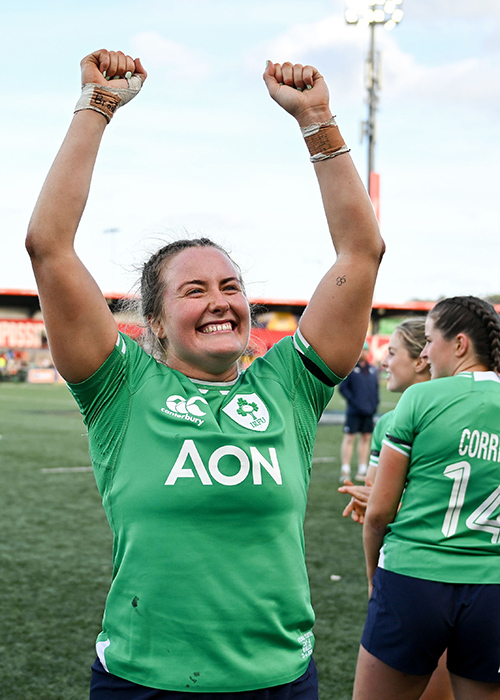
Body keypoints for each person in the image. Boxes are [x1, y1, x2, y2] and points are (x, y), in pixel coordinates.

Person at [26, 50, 384, 698]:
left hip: (279, 683)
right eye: (194, 290)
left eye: (231, 285)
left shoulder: (289, 386)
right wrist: (96, 106)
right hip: (143, 683)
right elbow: (49, 247)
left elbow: (360, 253)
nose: (221, 300)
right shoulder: (122, 387)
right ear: (155, 323)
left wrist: (319, 122)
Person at [353, 296, 500, 700]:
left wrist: (372, 578)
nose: (426, 353)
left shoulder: (421, 398)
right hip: (493, 588)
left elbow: (379, 513)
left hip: (414, 577)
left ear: (459, 345)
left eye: (431, 340)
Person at [339, 318, 453, 700]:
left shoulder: (399, 420)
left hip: (409, 576)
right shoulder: (469, 412)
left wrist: (380, 505)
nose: (384, 362)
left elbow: (377, 512)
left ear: (421, 360)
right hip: (475, 582)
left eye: (392, 353)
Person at [338, 341, 379, 482]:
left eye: (366, 350)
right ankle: (345, 468)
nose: (364, 353)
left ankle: (363, 468)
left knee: (366, 438)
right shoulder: (350, 369)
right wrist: (354, 402)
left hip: (369, 411)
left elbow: (376, 390)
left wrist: (374, 405)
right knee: (349, 438)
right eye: (362, 350)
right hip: (354, 411)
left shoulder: (373, 370)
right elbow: (343, 388)